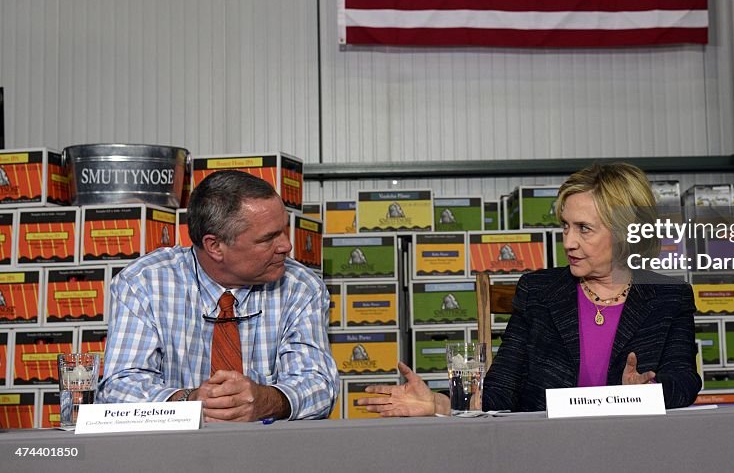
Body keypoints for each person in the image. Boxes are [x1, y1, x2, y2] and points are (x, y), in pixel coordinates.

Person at [359, 163, 701, 415]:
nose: (568, 242)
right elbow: (500, 394)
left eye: (584, 229)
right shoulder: (538, 292)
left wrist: (648, 392)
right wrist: (438, 404)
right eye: (565, 226)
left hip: (634, 452)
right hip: (544, 454)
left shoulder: (669, 296)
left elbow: (684, 381)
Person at [98, 170, 338, 420]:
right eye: (268, 238)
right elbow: (118, 389)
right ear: (215, 246)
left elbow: (319, 385)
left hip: (272, 452)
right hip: (171, 452)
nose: (286, 246)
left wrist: (265, 400)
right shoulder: (144, 283)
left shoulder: (301, 286)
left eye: (283, 230)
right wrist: (188, 402)